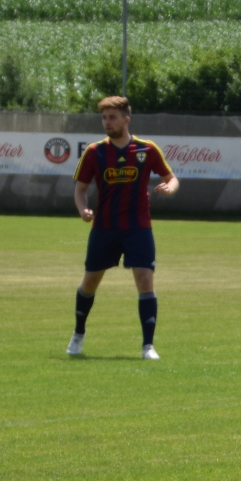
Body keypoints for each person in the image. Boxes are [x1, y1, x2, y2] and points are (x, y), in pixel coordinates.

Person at [69, 95, 178, 360]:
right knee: (90, 282)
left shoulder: (146, 149)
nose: (107, 122)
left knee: (144, 279)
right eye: (104, 118)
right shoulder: (94, 152)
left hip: (138, 228)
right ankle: (78, 334)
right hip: (104, 228)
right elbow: (80, 190)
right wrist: (82, 209)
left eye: (112, 117)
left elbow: (171, 177)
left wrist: (169, 188)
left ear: (125, 119)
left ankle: (148, 346)